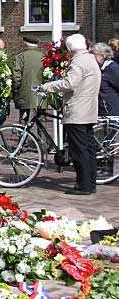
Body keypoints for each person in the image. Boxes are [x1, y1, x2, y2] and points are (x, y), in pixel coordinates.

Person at [39, 34, 101, 195]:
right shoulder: (91, 59)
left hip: (78, 110)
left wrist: (47, 86)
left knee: (79, 149)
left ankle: (83, 185)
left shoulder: (79, 61)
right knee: (88, 148)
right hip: (89, 109)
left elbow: (69, 83)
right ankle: (90, 182)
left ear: (70, 48)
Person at [93, 42, 119, 177]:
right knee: (100, 139)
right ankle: (100, 165)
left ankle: (108, 168)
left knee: (107, 140)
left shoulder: (112, 69)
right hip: (101, 109)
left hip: (111, 110)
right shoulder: (100, 69)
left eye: (95, 55)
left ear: (102, 56)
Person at [12, 35, 46, 135]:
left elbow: (16, 77)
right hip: (41, 93)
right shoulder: (43, 57)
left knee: (24, 119)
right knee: (41, 120)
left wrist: (15, 89)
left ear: (25, 43)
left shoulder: (20, 57)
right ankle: (43, 145)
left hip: (25, 92)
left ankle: (23, 144)